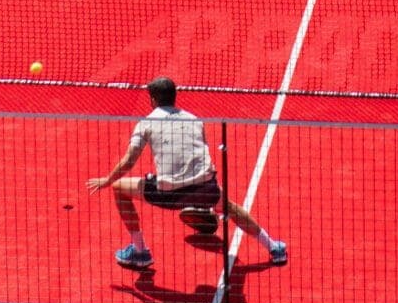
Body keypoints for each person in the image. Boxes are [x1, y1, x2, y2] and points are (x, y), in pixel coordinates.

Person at [89, 76, 287, 271]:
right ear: (174, 96)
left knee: (118, 188)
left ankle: (140, 252)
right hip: (205, 188)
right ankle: (274, 247)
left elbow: (129, 161)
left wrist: (107, 179)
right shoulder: (194, 120)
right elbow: (199, 155)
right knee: (230, 207)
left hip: (168, 194)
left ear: (152, 100)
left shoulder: (146, 123)